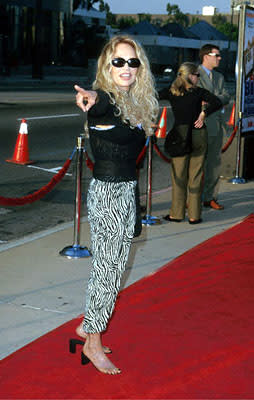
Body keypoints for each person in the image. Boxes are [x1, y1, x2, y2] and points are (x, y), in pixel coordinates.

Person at [71, 35, 159, 374]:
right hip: (107, 194)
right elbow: (98, 101)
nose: (126, 68)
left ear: (140, 68)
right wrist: (90, 97)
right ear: (108, 65)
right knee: (106, 272)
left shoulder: (132, 101)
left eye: (132, 62)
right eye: (119, 62)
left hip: (125, 191)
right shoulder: (105, 98)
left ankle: (88, 325)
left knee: (115, 268)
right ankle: (91, 342)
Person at [159, 62, 222, 224]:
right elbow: (217, 102)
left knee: (178, 177)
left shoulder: (171, 92)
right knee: (195, 175)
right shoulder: (199, 92)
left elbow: (151, 97)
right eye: (196, 74)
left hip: (180, 135)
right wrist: (203, 114)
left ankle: (177, 214)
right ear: (188, 75)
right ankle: (194, 215)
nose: (198, 77)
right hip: (198, 134)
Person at [197, 44, 230, 210]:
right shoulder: (194, 74)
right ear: (206, 56)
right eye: (216, 55)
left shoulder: (219, 77)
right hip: (200, 126)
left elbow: (226, 96)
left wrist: (210, 99)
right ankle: (193, 199)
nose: (219, 58)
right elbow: (195, 98)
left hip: (216, 126)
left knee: (214, 165)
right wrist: (216, 99)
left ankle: (209, 197)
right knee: (196, 166)